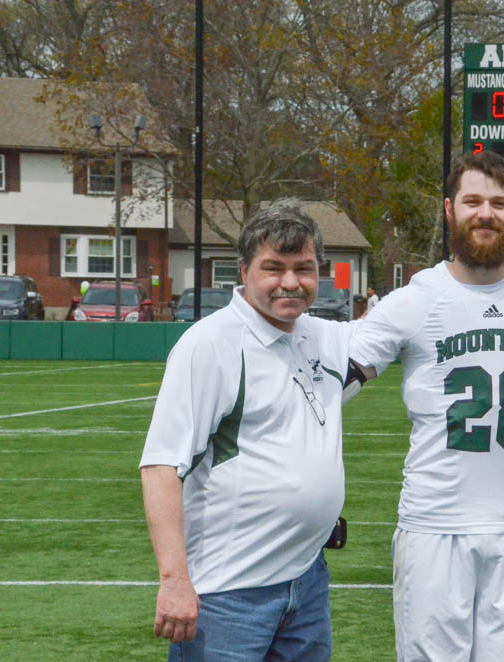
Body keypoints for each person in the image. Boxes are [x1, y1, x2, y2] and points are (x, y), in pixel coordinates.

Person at [344, 151, 504, 662]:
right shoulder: (414, 300)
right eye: (473, 201)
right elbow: (334, 384)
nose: (486, 214)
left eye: (500, 203)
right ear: (449, 209)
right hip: (434, 526)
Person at [139, 200, 356, 662]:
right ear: (244, 271)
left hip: (306, 582)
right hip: (228, 594)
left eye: (304, 268)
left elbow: (401, 325)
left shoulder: (321, 336)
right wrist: (174, 580)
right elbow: (161, 466)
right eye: (273, 268)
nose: (291, 282)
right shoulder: (211, 343)